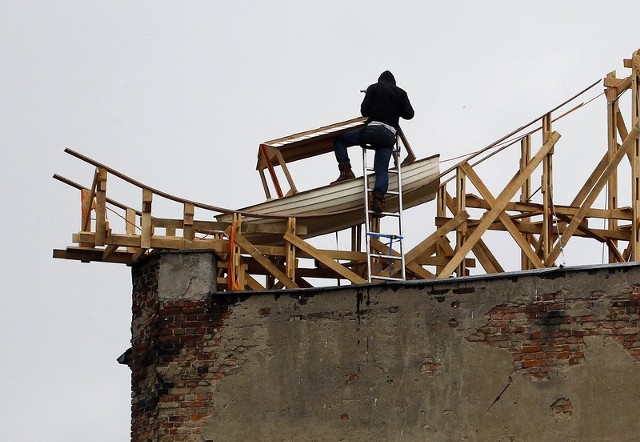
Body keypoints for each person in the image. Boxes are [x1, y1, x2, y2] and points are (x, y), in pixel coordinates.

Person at [330, 70, 414, 214]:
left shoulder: (373, 88)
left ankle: (346, 171)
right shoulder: (401, 93)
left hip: (372, 130)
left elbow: (364, 111)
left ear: (379, 80)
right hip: (388, 136)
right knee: (381, 170)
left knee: (340, 140)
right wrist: (396, 107)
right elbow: (409, 114)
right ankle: (378, 200)